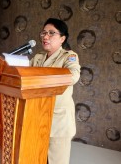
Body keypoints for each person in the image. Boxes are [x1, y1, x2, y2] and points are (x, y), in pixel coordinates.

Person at [30, 18, 81, 164]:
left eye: (51, 33)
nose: (45, 37)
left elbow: (73, 76)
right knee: (36, 157)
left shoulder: (69, 56)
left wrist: (44, 79)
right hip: (36, 117)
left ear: (62, 38)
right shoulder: (38, 57)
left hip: (58, 121)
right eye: (44, 33)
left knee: (56, 160)